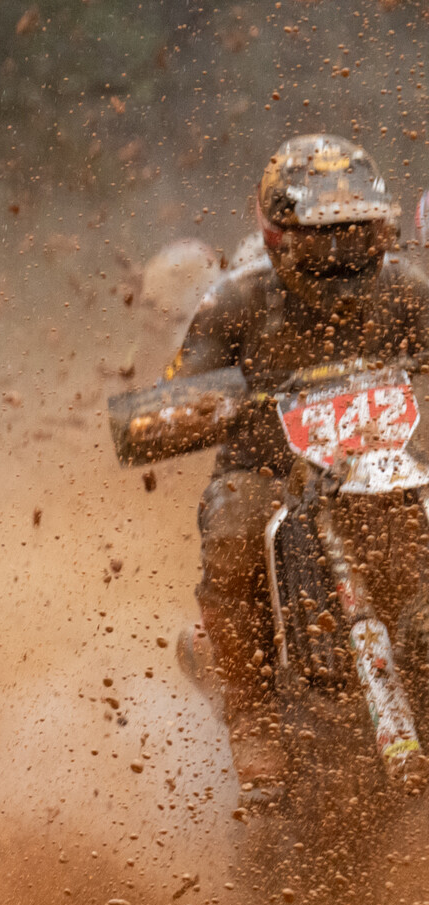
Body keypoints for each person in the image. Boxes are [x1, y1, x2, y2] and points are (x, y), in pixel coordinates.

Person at [165, 135, 429, 802]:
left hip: (383, 457)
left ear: (380, 227)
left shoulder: (405, 286)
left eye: (354, 234)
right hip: (267, 469)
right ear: (279, 234)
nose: (341, 253)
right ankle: (253, 717)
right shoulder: (236, 299)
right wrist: (193, 409)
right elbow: (177, 391)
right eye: (323, 238)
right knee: (232, 528)